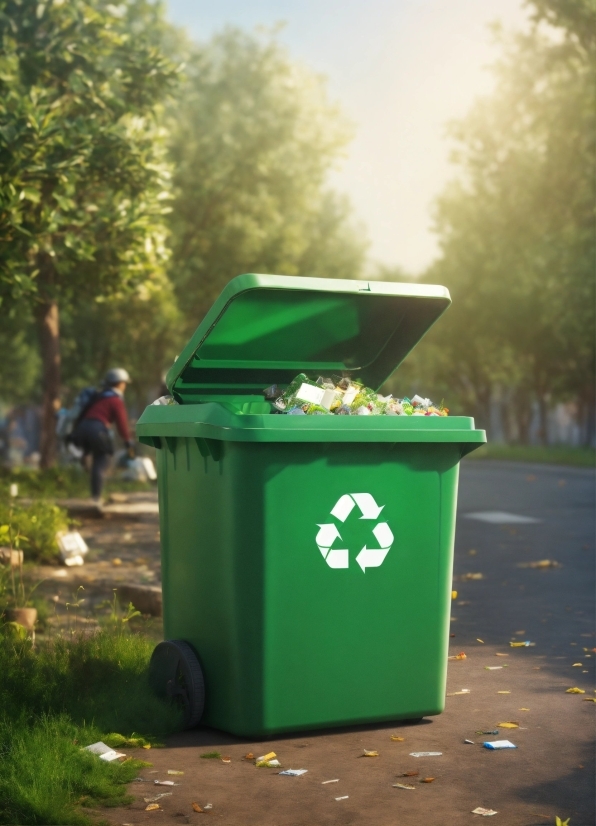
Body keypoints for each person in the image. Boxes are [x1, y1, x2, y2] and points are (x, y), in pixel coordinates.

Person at [71, 368, 134, 504]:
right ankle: (96, 499)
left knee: (93, 458)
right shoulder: (115, 400)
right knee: (103, 459)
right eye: (125, 383)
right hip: (97, 429)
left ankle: (84, 462)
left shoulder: (99, 396)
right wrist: (128, 441)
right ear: (120, 383)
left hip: (82, 428)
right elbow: (122, 425)